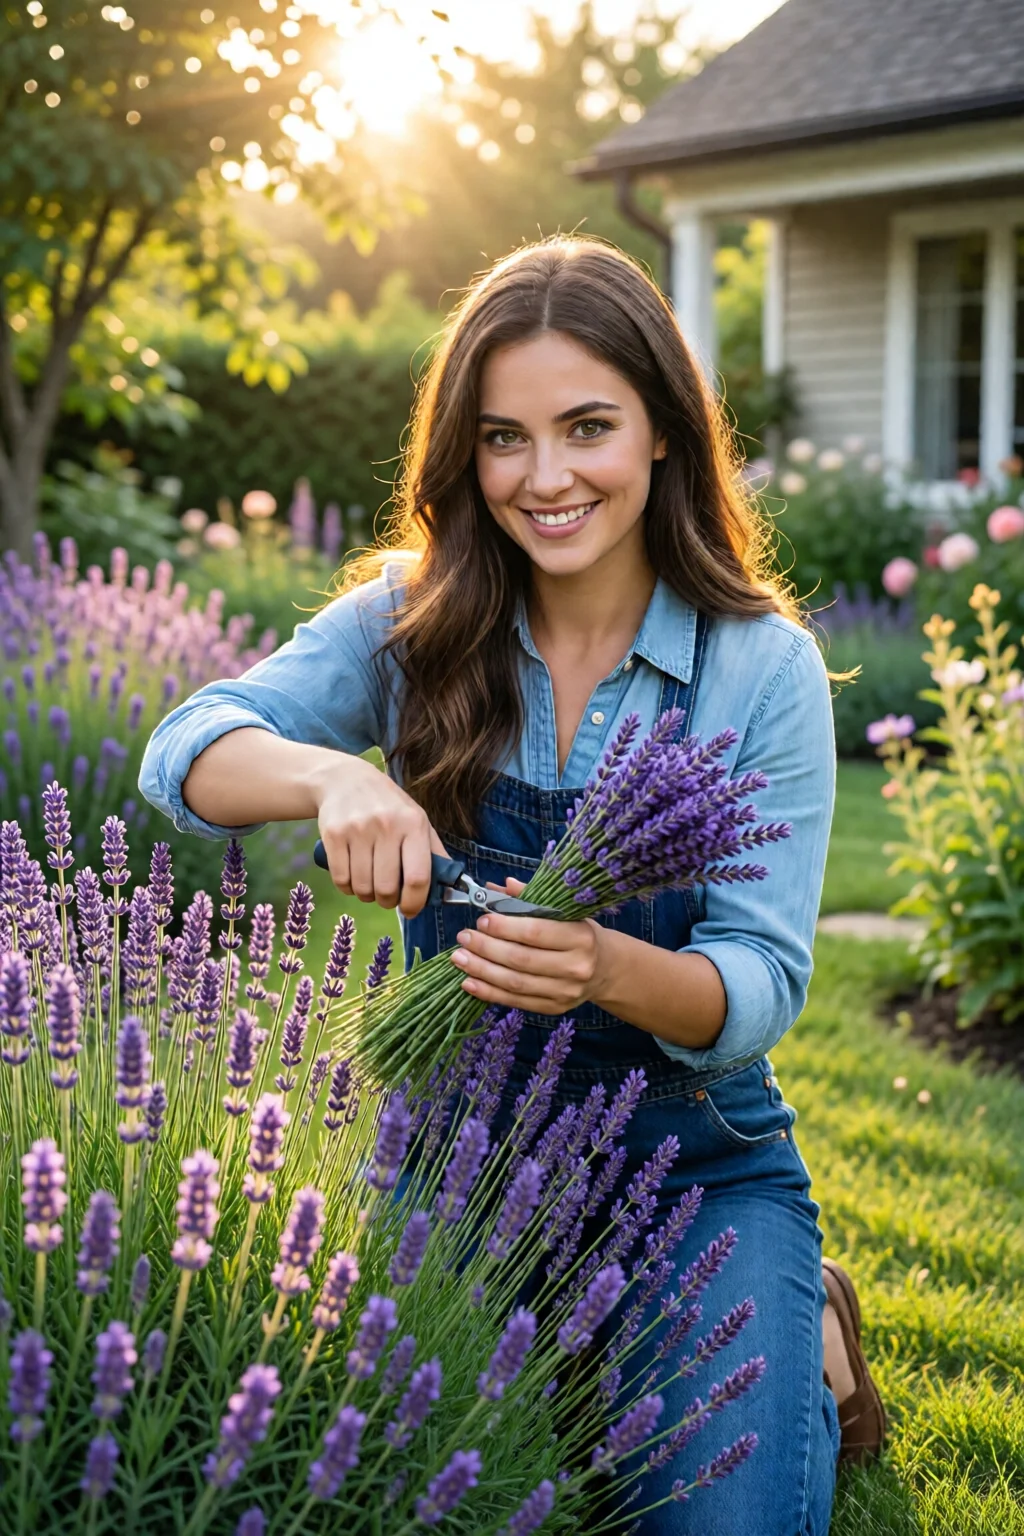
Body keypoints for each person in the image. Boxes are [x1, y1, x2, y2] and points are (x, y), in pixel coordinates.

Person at [139, 237, 886, 1533]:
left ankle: (797, 1321)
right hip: (458, 1156)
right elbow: (183, 750)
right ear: (466, 454)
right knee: (357, 1483)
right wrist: (331, 777)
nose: (545, 478)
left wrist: (605, 965)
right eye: (503, 438)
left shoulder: (757, 668)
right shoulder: (414, 618)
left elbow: (761, 986)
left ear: (663, 429)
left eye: (588, 427)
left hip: (691, 1168)